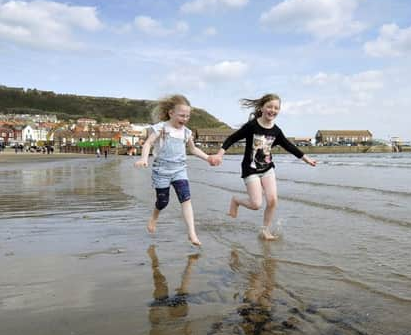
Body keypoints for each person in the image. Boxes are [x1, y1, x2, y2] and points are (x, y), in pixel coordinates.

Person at [208, 93, 316, 240]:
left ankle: (265, 230)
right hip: (250, 169)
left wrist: (306, 159)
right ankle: (236, 201)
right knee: (256, 204)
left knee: (272, 200)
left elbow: (289, 146)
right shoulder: (252, 126)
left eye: (276, 108)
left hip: (267, 169)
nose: (273, 110)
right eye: (269, 106)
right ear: (262, 108)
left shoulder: (276, 131)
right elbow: (232, 138)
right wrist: (220, 154)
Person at [135, 94, 212, 246]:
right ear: (171, 113)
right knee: (163, 202)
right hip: (161, 171)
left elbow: (193, 149)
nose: (185, 119)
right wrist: (144, 158)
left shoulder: (186, 132)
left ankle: (192, 233)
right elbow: (148, 143)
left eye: (188, 116)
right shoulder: (161, 128)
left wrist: (208, 158)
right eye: (182, 115)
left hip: (179, 170)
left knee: (186, 199)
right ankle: (154, 217)